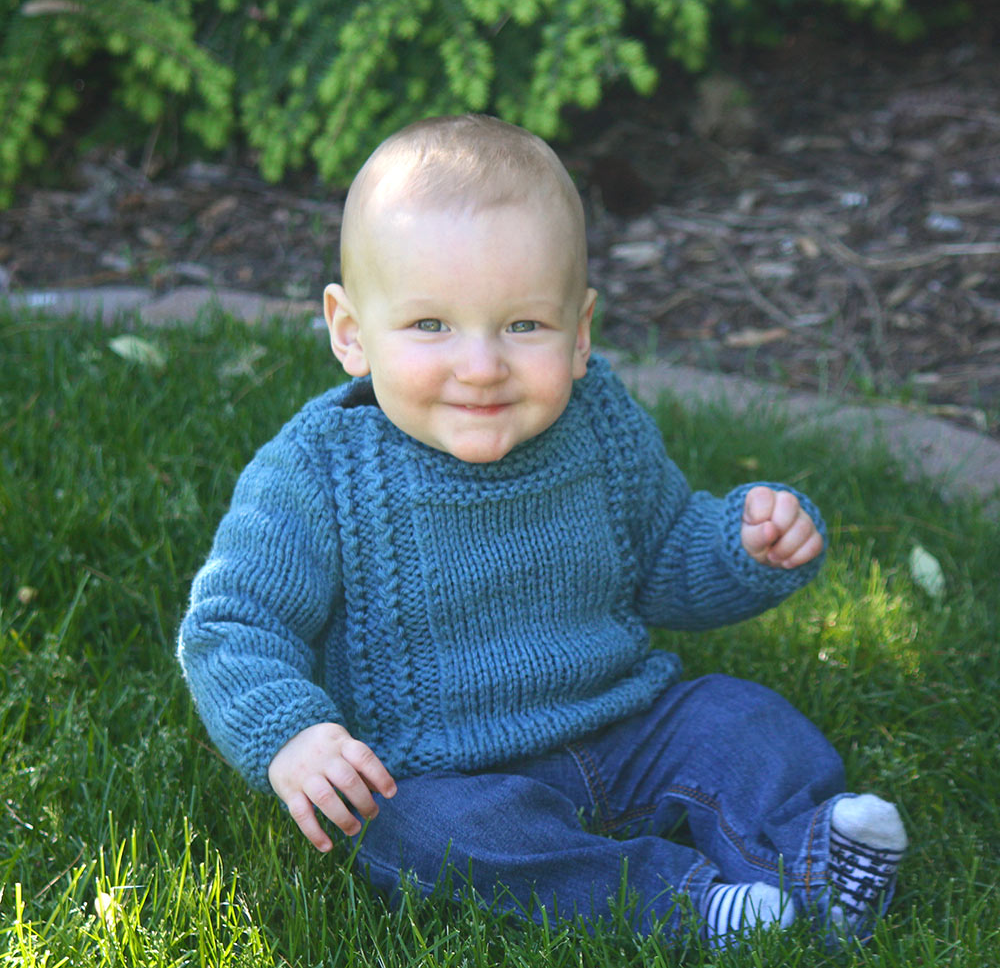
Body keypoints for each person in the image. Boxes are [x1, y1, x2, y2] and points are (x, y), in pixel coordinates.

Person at [177, 114, 906, 947]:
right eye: (430, 325)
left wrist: (741, 549)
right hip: (446, 771)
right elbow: (235, 621)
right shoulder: (318, 469)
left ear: (581, 331)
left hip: (626, 725)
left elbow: (663, 553)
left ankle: (810, 864)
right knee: (419, 833)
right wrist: (293, 732)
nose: (481, 364)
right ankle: (698, 908)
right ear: (350, 332)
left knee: (743, 720)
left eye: (523, 325)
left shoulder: (599, 422)